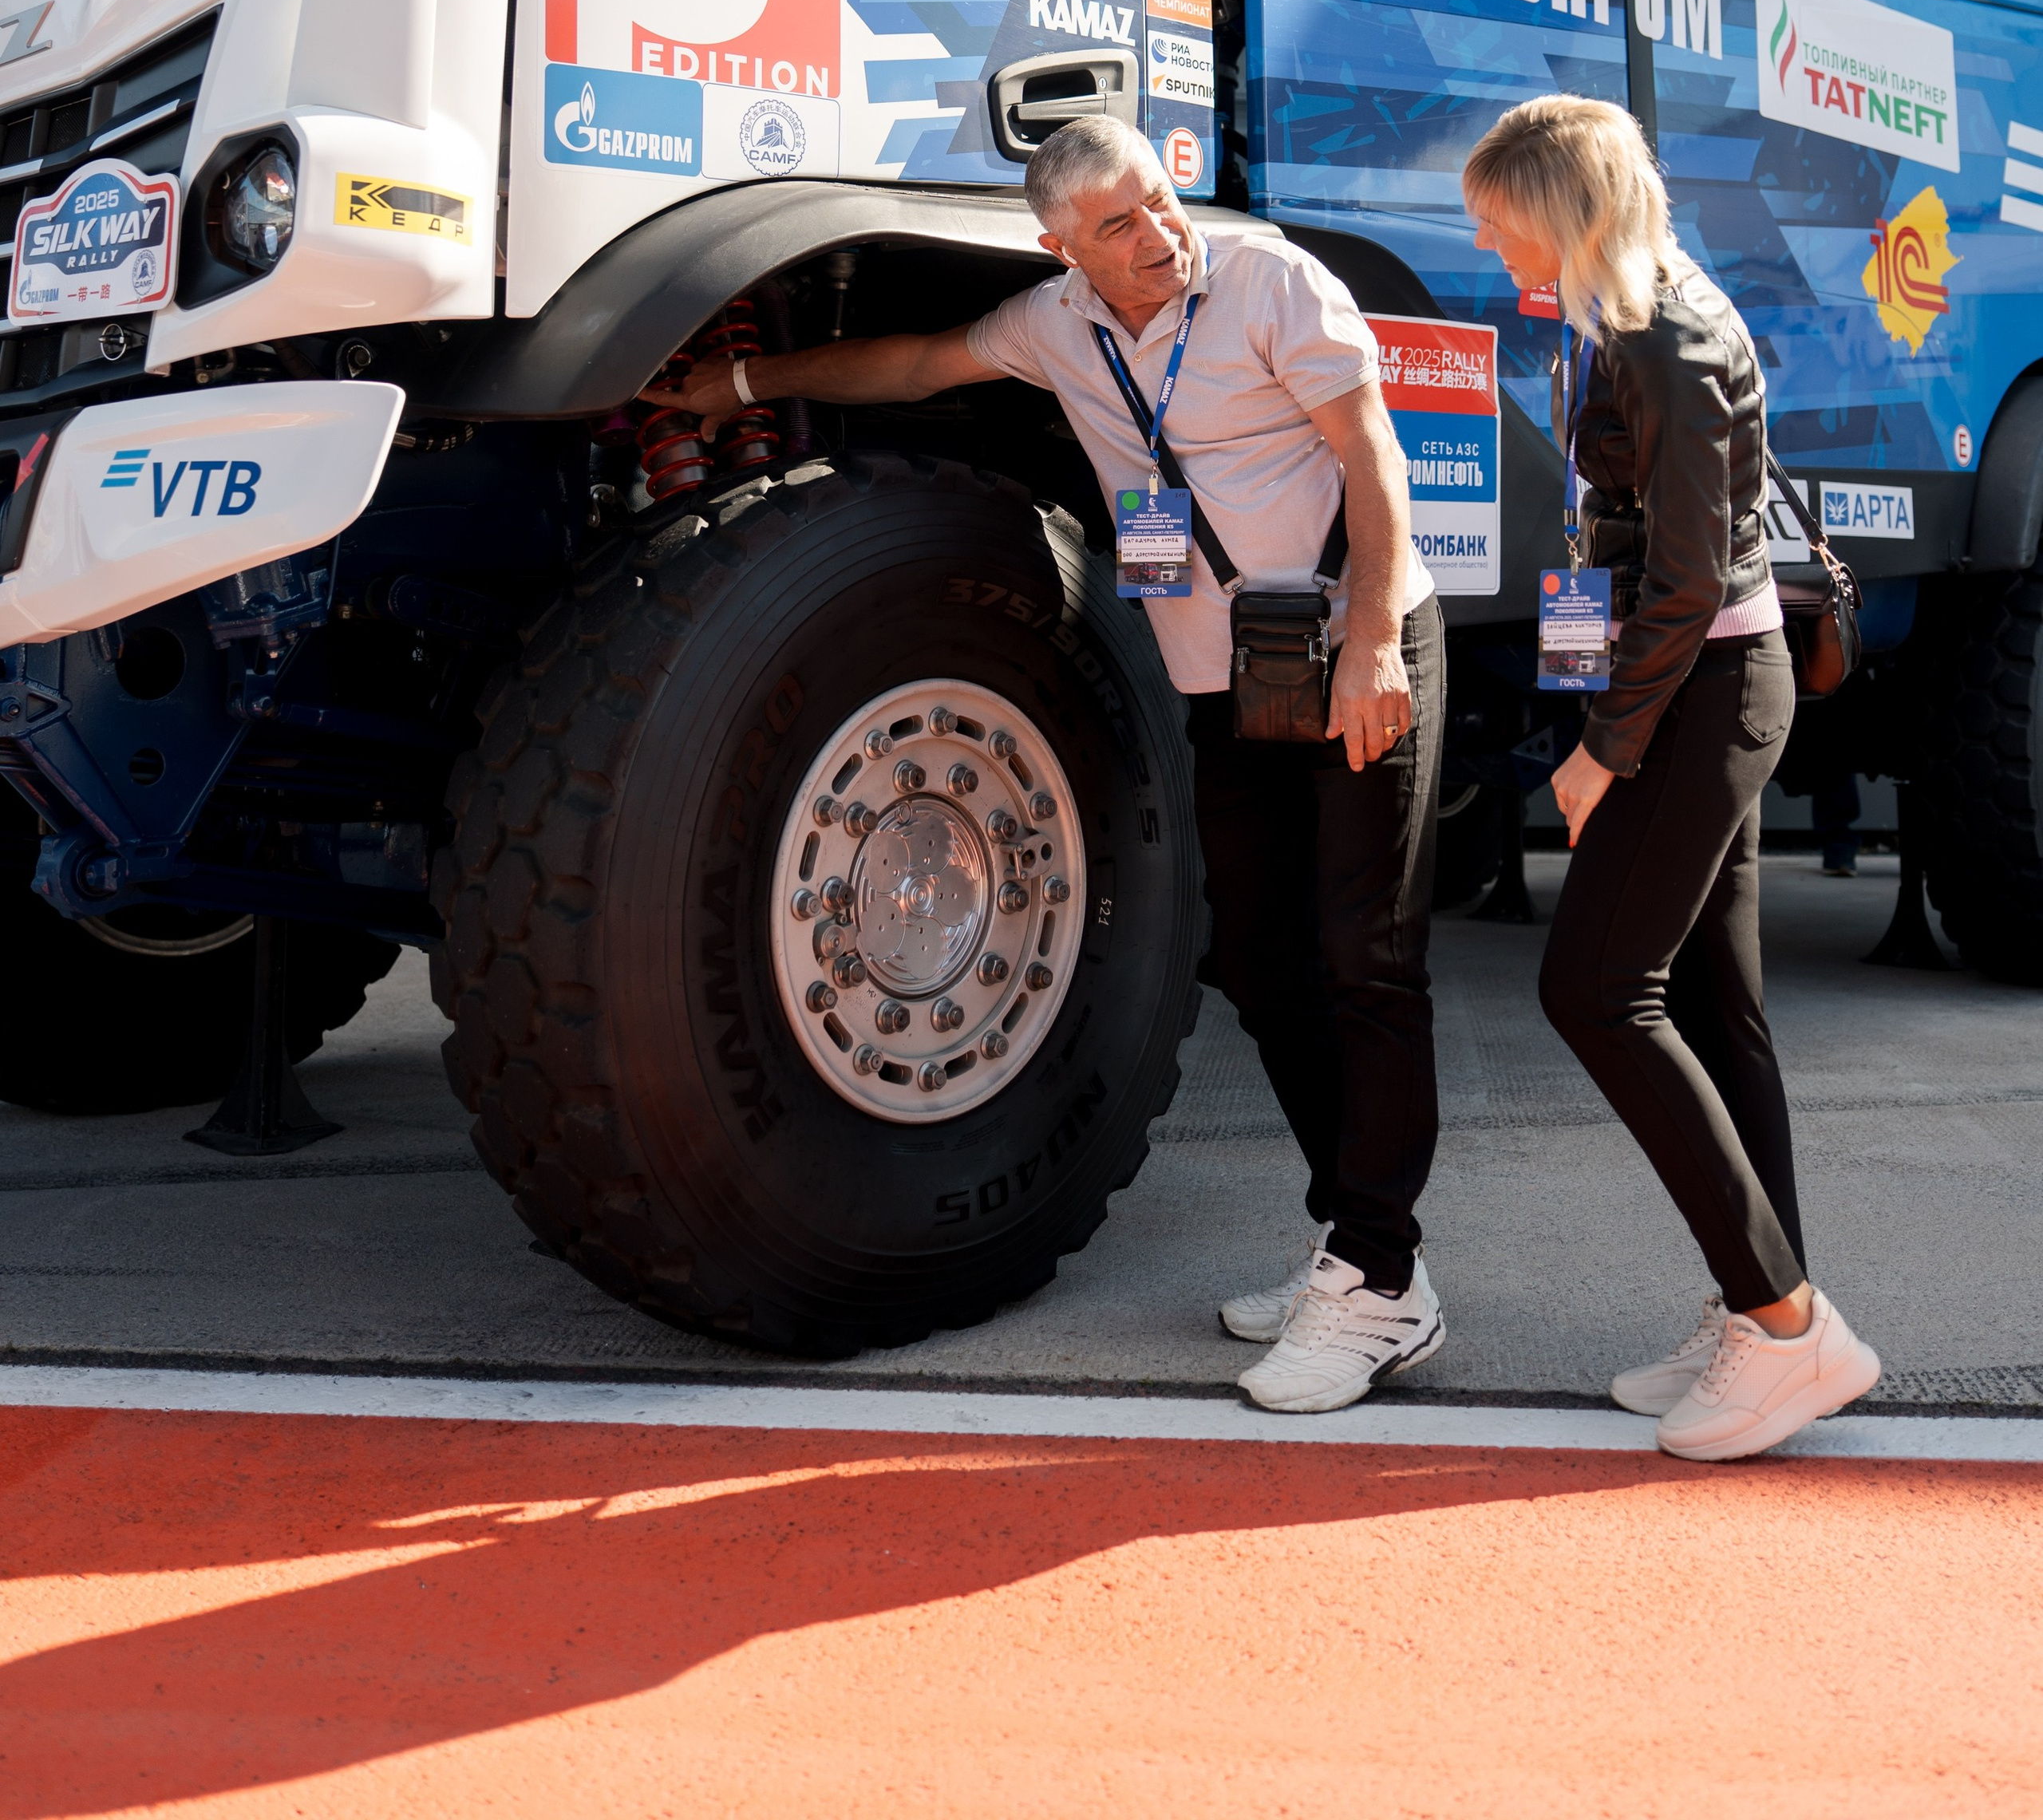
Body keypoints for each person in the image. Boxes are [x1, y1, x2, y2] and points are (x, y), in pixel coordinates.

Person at [663, 115, 1445, 1412]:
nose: (1159, 238)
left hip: (1351, 647)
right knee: (1257, 960)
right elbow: (914, 366)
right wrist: (742, 389)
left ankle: (1372, 1273)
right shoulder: (1058, 325)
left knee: (1368, 960)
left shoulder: (1268, 281)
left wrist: (1374, 644)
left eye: (1161, 204)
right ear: (1062, 248)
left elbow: (1374, 459)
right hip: (1231, 680)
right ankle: (1364, 1258)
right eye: (1120, 227)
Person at [1464, 91, 1880, 1463]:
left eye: (1502, 228)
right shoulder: (1630, 313)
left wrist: (1600, 752)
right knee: (1714, 1004)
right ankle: (1764, 1311)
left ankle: (1786, 1324)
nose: (1494, 255)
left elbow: (1693, 580)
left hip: (1704, 695)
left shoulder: (1669, 332)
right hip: (1702, 689)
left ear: (1563, 211)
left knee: (1593, 987)